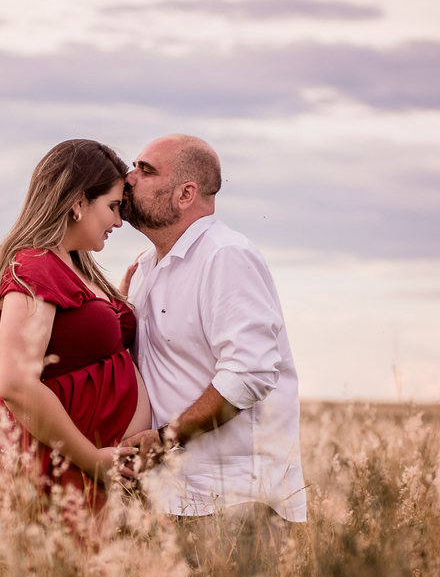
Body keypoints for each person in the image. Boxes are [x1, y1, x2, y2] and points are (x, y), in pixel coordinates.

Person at [120, 134, 306, 553]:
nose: (128, 178)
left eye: (145, 170)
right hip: (170, 497)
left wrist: (166, 438)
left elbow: (249, 373)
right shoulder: (147, 267)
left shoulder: (225, 256)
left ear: (186, 194)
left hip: (234, 502)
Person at [0, 139, 151, 530]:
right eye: (113, 206)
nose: (119, 222)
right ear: (79, 202)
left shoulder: (76, 265)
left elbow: (80, 339)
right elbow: (16, 384)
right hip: (52, 461)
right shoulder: (35, 265)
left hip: (79, 464)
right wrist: (92, 460)